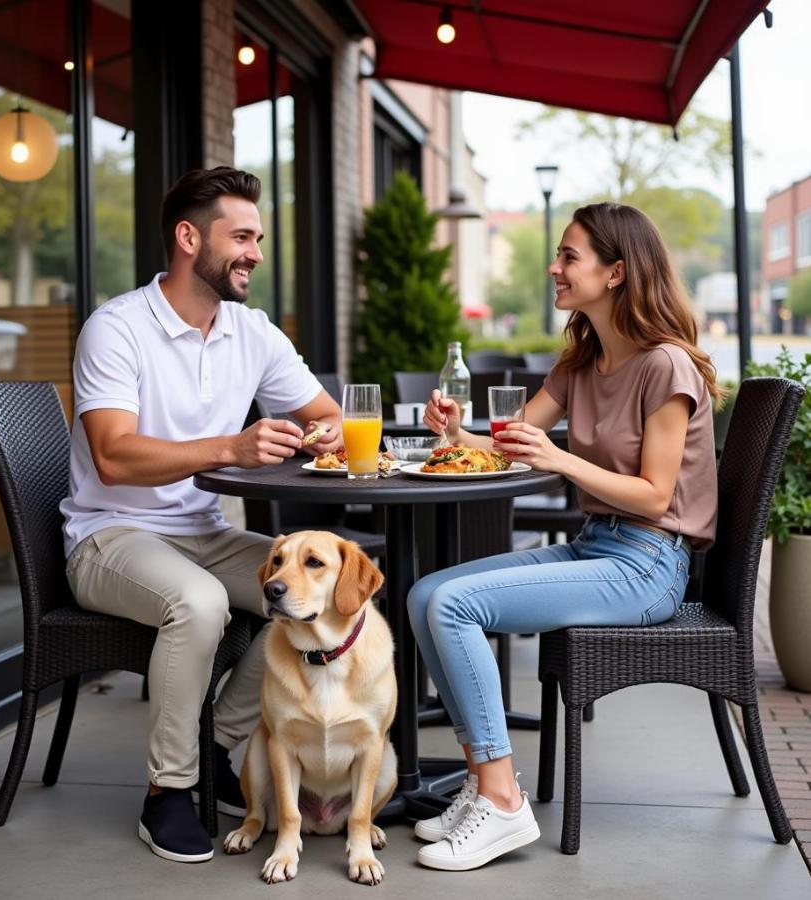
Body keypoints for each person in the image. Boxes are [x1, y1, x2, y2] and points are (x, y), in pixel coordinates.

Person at [408, 202, 720, 872]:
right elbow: (510, 446)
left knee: (454, 607)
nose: (554, 268)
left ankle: (501, 801)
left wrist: (561, 460)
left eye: (568, 257)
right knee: (423, 594)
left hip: (648, 566)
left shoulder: (667, 367)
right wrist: (453, 434)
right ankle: (485, 779)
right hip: (596, 545)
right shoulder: (581, 361)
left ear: (615, 272)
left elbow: (657, 495)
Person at [61, 167, 341, 864]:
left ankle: (218, 743)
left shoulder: (251, 331)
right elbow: (113, 458)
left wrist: (326, 432)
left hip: (200, 532)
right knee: (201, 602)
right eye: (242, 236)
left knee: (318, 596)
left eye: (258, 237)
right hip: (109, 535)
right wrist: (231, 447)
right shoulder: (118, 328)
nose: (256, 252)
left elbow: (327, 414)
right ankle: (169, 790)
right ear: (190, 238)